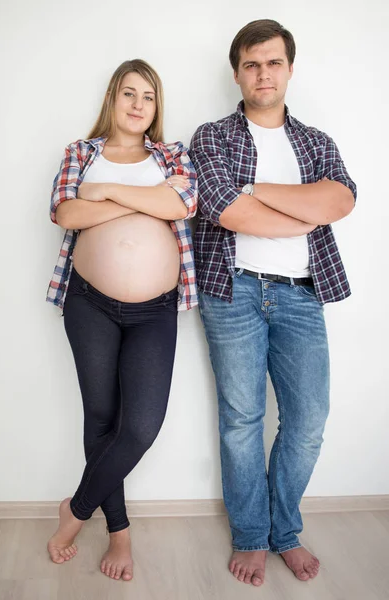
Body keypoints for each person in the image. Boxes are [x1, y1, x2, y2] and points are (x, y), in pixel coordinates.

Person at [190, 19, 356, 587]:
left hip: (302, 295)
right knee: (242, 420)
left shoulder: (316, 142)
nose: (264, 73)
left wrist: (255, 188)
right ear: (237, 73)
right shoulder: (210, 136)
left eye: (274, 62)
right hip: (233, 289)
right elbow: (222, 209)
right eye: (252, 64)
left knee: (308, 420)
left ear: (289, 68)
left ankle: (286, 530)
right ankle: (252, 536)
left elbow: (340, 199)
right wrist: (300, 211)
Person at [46, 59, 197, 581]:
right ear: (112, 98)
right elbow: (66, 215)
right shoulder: (80, 154)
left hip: (155, 311)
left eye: (148, 96)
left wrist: (104, 194)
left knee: (139, 427)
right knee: (102, 420)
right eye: (128, 93)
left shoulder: (173, 155)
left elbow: (182, 205)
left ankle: (76, 508)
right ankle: (119, 532)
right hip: (89, 305)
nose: (137, 104)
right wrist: (144, 203)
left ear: (156, 107)